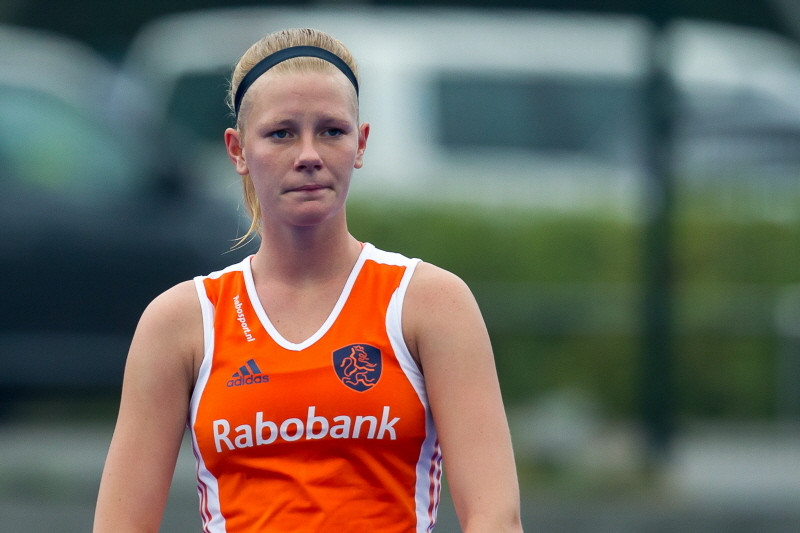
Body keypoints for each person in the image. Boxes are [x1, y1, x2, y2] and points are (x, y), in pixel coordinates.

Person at [93, 27, 522, 533]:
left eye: (332, 131)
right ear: (237, 150)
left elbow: (495, 516)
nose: (309, 154)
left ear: (361, 144)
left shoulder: (431, 303)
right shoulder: (181, 322)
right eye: (282, 133)